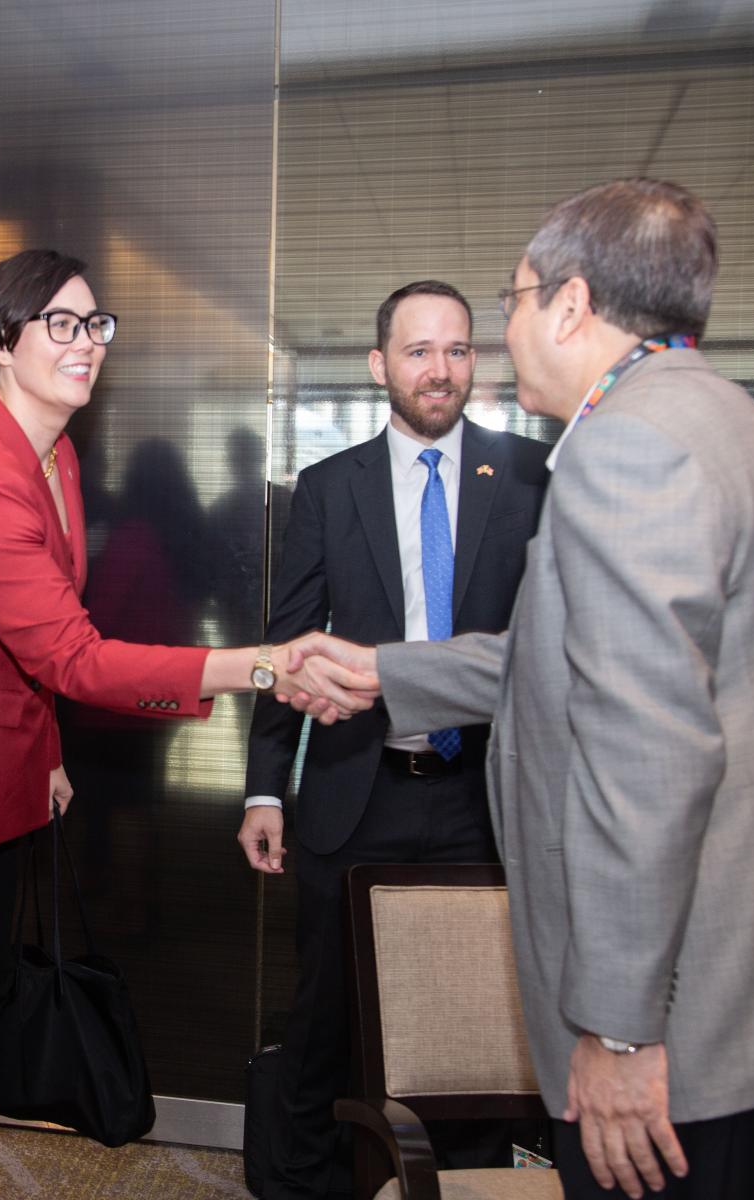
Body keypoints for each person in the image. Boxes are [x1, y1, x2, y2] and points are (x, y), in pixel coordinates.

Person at [284, 179, 754, 1199]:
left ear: (569, 305)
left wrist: (618, 1031)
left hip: (698, 1016)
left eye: (515, 300)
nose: (510, 327)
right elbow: (569, 655)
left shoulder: (625, 451)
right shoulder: (725, 422)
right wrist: (385, 670)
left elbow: (648, 759)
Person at [0, 249, 372, 1200]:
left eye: (96, 325)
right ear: (2, 341)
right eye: (62, 325)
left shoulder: (54, 452)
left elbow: (21, 643)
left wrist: (43, 752)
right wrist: (262, 662)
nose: (88, 345)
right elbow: (72, 657)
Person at [238, 281, 548, 1199]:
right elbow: (285, 647)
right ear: (381, 365)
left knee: (480, 1024)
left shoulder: (533, 476)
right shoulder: (329, 490)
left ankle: (464, 1186)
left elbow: (548, 647)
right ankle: (299, 1186)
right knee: (324, 1019)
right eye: (418, 351)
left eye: (457, 349)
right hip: (353, 793)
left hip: (484, 799)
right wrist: (264, 790)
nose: (440, 369)